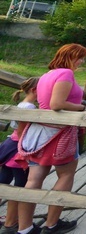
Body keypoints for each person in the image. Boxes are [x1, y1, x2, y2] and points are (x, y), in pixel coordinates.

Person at [18, 44, 86, 234]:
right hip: (59, 133)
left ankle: (24, 228)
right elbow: (56, 104)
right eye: (79, 57)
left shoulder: (46, 75)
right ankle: (52, 224)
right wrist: (81, 108)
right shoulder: (66, 73)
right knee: (66, 175)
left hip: (40, 131)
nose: (81, 62)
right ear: (70, 57)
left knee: (33, 181)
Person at [0, 77, 39, 234]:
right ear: (34, 90)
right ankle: (10, 223)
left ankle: (10, 220)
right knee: (20, 187)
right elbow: (23, 130)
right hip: (18, 149)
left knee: (3, 182)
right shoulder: (29, 107)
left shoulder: (23, 104)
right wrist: (25, 152)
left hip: (11, 145)